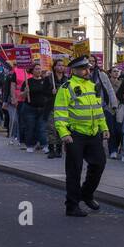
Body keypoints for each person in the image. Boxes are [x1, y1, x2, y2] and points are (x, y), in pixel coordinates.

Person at [54, 57, 108, 218]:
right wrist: (64, 133)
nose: (88, 72)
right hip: (75, 135)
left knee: (99, 164)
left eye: (89, 69)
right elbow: (60, 112)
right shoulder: (67, 88)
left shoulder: (92, 86)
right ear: (75, 70)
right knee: (74, 171)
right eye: (84, 69)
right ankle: (72, 205)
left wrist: (104, 128)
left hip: (93, 134)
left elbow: (98, 110)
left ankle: (86, 194)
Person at [44, 59, 68, 158]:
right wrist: (51, 91)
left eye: (62, 65)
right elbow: (43, 92)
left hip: (63, 108)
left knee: (60, 128)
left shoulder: (67, 79)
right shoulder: (49, 78)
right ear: (54, 67)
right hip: (51, 107)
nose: (61, 67)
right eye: (59, 65)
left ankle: (59, 149)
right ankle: (51, 149)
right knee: (51, 128)